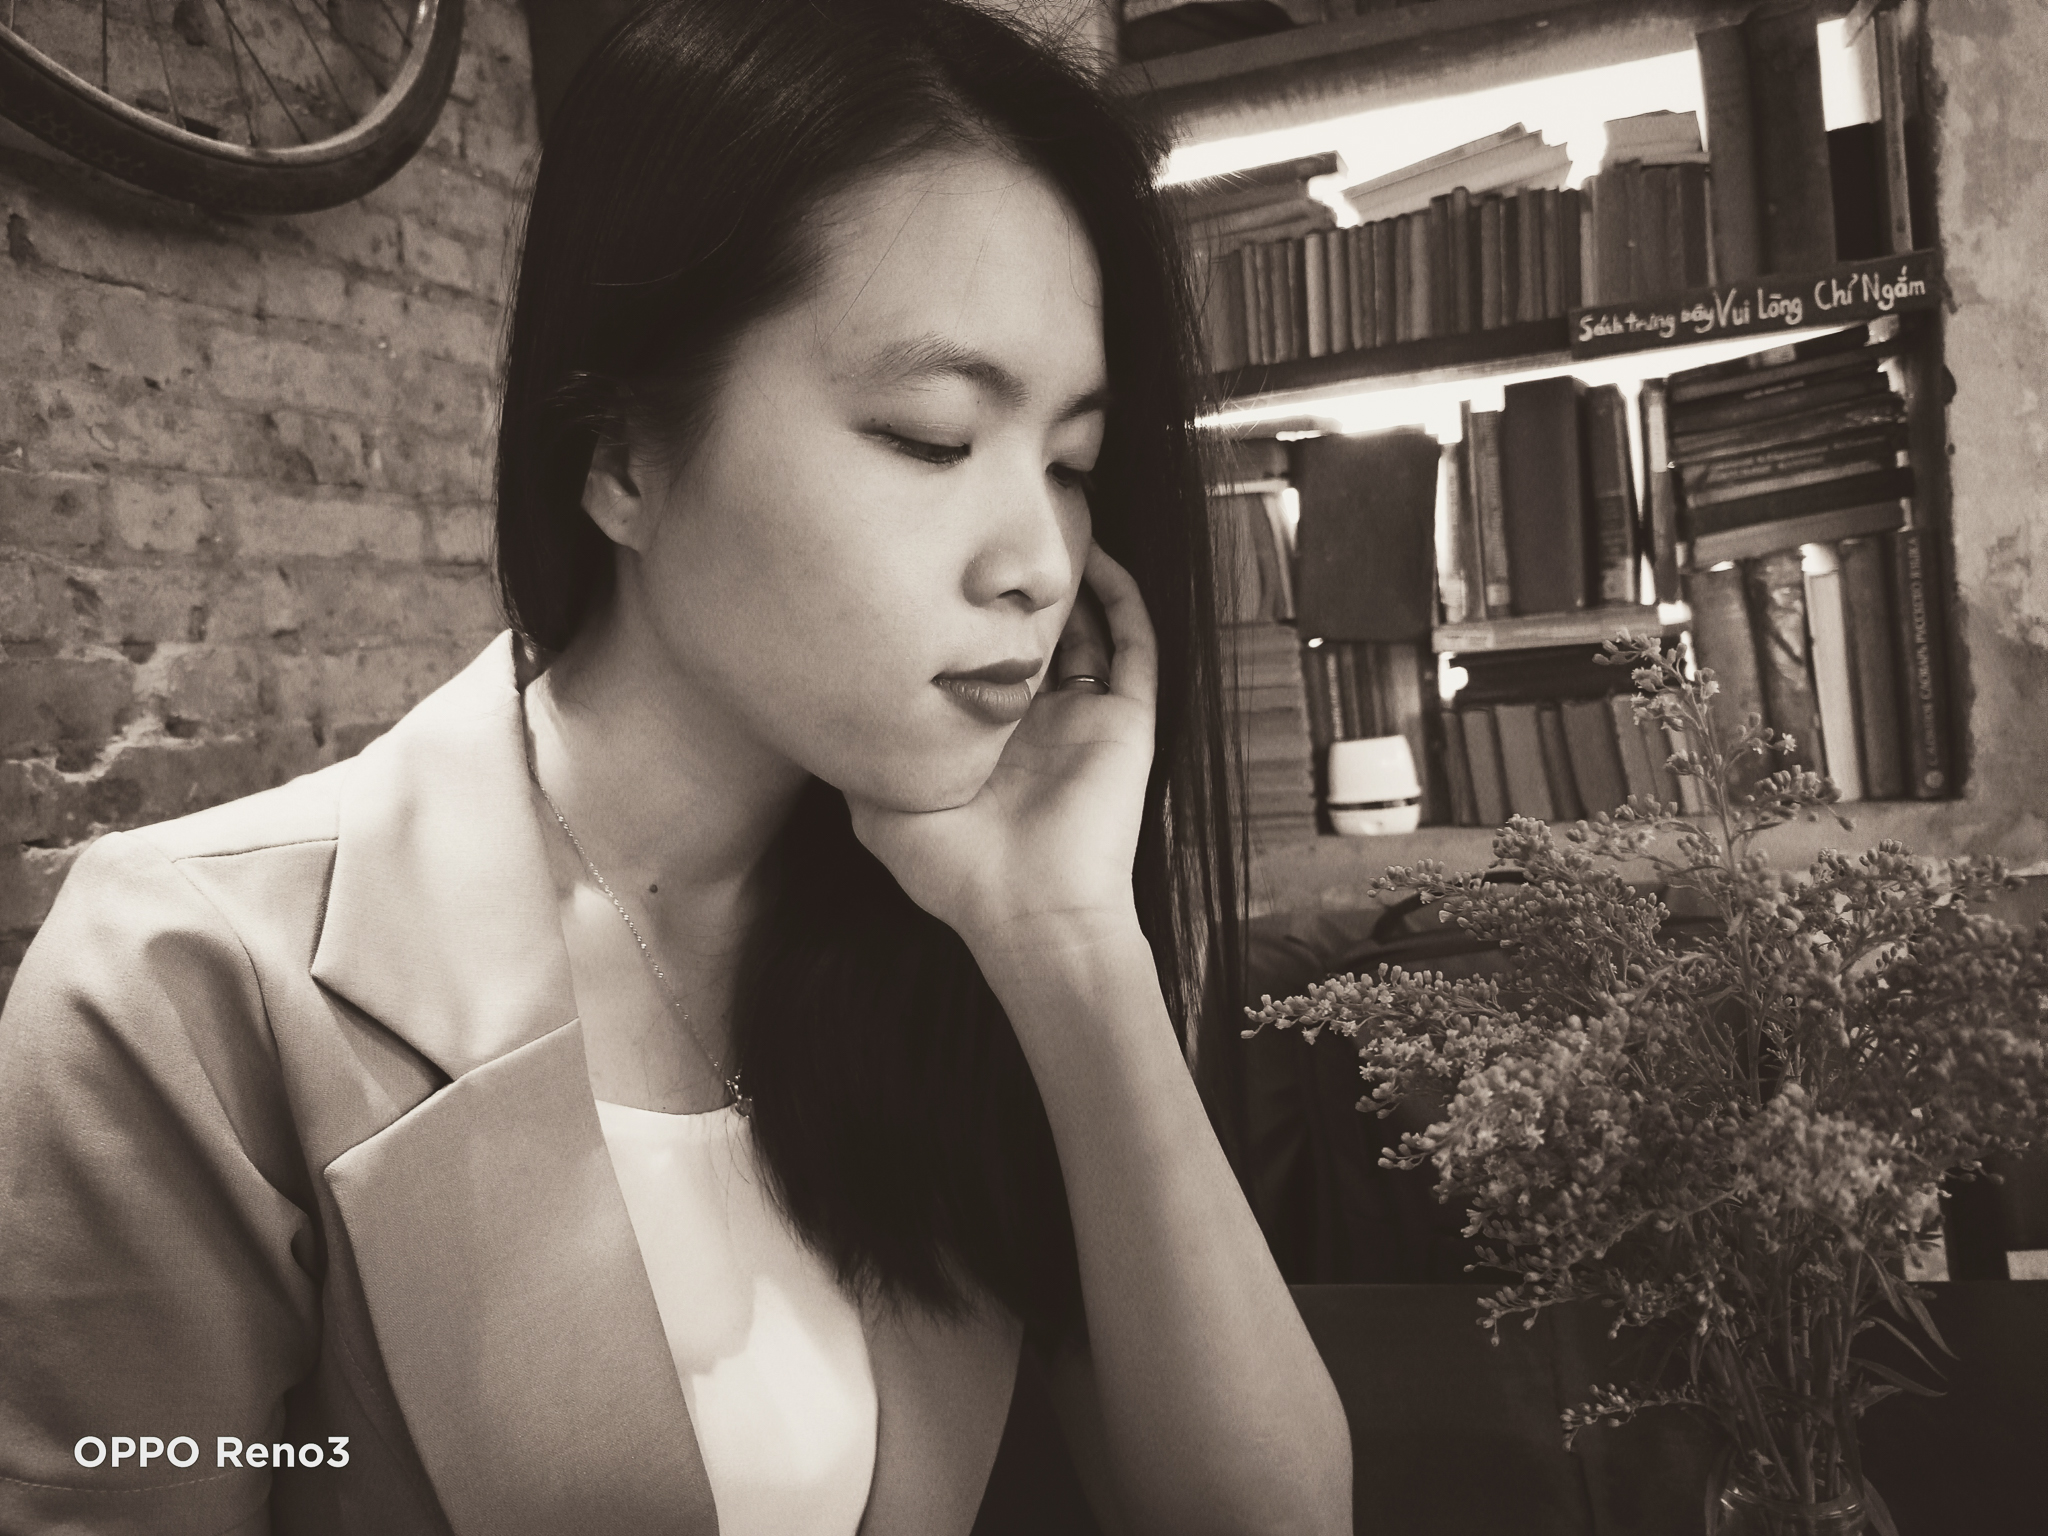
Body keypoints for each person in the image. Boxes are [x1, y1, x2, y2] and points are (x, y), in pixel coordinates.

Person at [0, 2, 1353, 1532]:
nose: (1038, 561)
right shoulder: (186, 989)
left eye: (1069, 464)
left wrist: (1070, 943)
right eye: (930, 437)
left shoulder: (938, 948)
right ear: (624, 459)